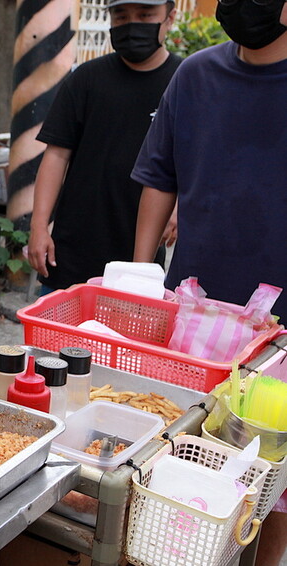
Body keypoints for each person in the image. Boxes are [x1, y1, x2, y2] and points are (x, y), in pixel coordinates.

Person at [132, 1, 287, 563]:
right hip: (195, 315)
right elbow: (159, 179)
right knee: (177, 460)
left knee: (274, 480)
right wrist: (140, 280)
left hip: (280, 332)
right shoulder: (196, 76)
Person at [27, 0, 180, 294]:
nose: (132, 25)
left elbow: (197, 161)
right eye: (121, 17)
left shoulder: (184, 82)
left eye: (145, 15)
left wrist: (178, 208)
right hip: (72, 250)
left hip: (140, 258)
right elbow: (56, 155)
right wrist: (39, 226)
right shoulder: (85, 79)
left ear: (169, 17)